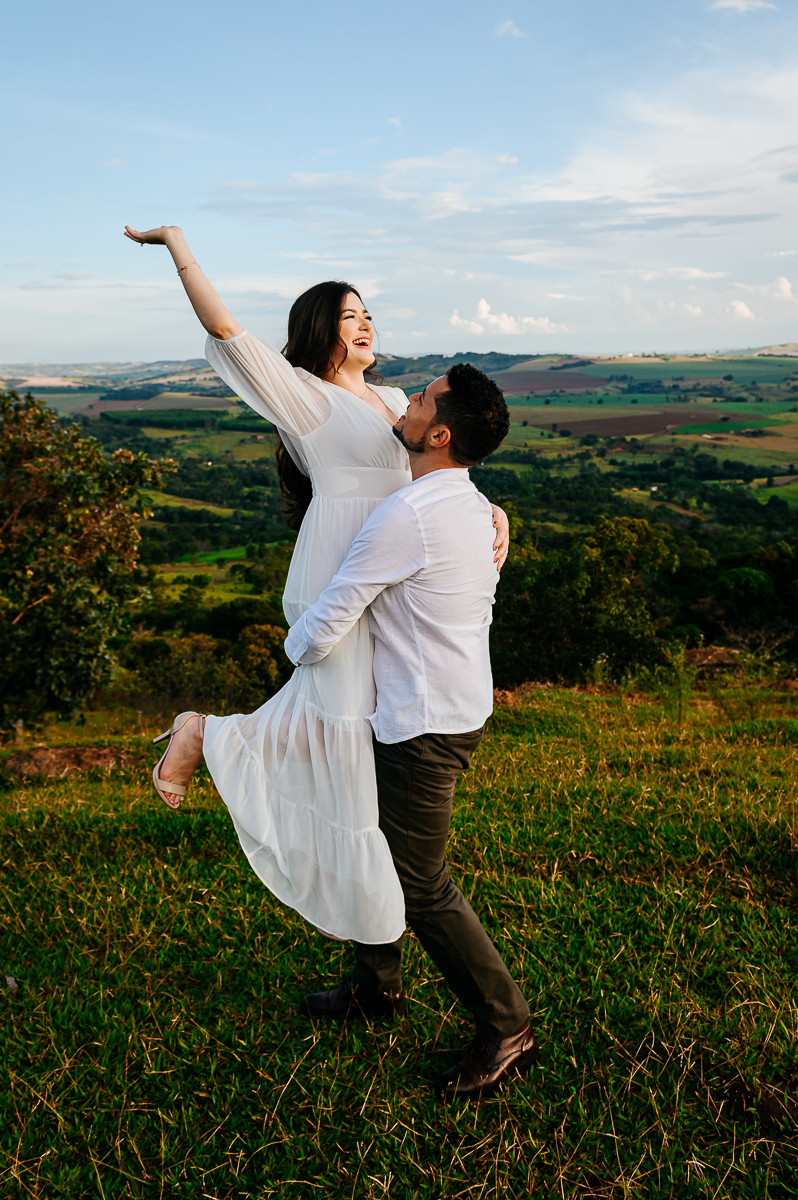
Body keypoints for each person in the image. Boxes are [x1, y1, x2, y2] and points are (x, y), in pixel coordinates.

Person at [123, 224, 509, 947]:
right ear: (319, 332)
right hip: (337, 576)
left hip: (390, 586)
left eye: (368, 313)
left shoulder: (399, 399)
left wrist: (494, 511)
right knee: (342, 752)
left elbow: (444, 470)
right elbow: (226, 328)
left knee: (361, 756)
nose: (365, 324)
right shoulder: (302, 395)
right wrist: (178, 246)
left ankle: (376, 961)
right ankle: (206, 735)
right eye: (348, 315)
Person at [284, 365, 537, 1101]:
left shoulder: (409, 514)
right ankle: (376, 984)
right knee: (374, 838)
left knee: (422, 885)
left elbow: (335, 610)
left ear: (439, 433)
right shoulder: (465, 500)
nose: (407, 399)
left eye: (421, 400)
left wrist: (293, 654)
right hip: (445, 707)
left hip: (424, 723)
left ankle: (507, 1024)